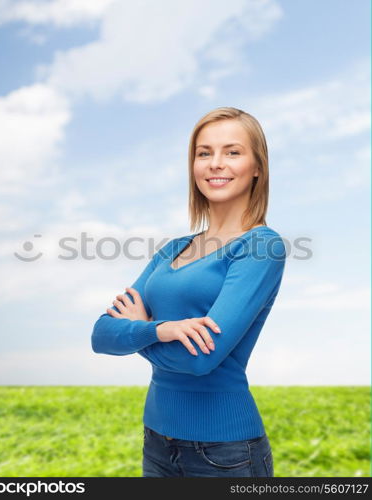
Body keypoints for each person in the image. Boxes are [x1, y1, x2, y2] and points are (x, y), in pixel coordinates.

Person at [91, 106, 287, 477]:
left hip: (225, 453)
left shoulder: (261, 247)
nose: (216, 163)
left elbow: (200, 360)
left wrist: (137, 332)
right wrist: (160, 330)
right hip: (157, 442)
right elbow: (101, 335)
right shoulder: (173, 249)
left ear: (257, 166)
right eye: (203, 153)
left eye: (232, 152)